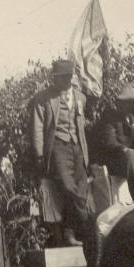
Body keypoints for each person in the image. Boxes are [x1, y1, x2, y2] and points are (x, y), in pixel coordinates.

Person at [29, 58, 90, 246]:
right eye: (59, 77)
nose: (64, 80)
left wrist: (84, 150)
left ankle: (70, 232)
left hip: (77, 147)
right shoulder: (43, 98)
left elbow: (81, 124)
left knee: (81, 189)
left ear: (71, 76)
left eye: (67, 76)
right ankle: (87, 223)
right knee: (68, 187)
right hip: (57, 146)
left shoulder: (80, 97)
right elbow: (37, 127)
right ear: (54, 78)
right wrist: (40, 154)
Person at [94, 83, 134, 200]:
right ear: (119, 103)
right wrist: (127, 150)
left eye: (131, 103)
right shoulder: (109, 118)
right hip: (114, 160)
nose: (129, 106)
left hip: (130, 161)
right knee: (130, 154)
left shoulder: (132, 119)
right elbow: (110, 143)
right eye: (126, 103)